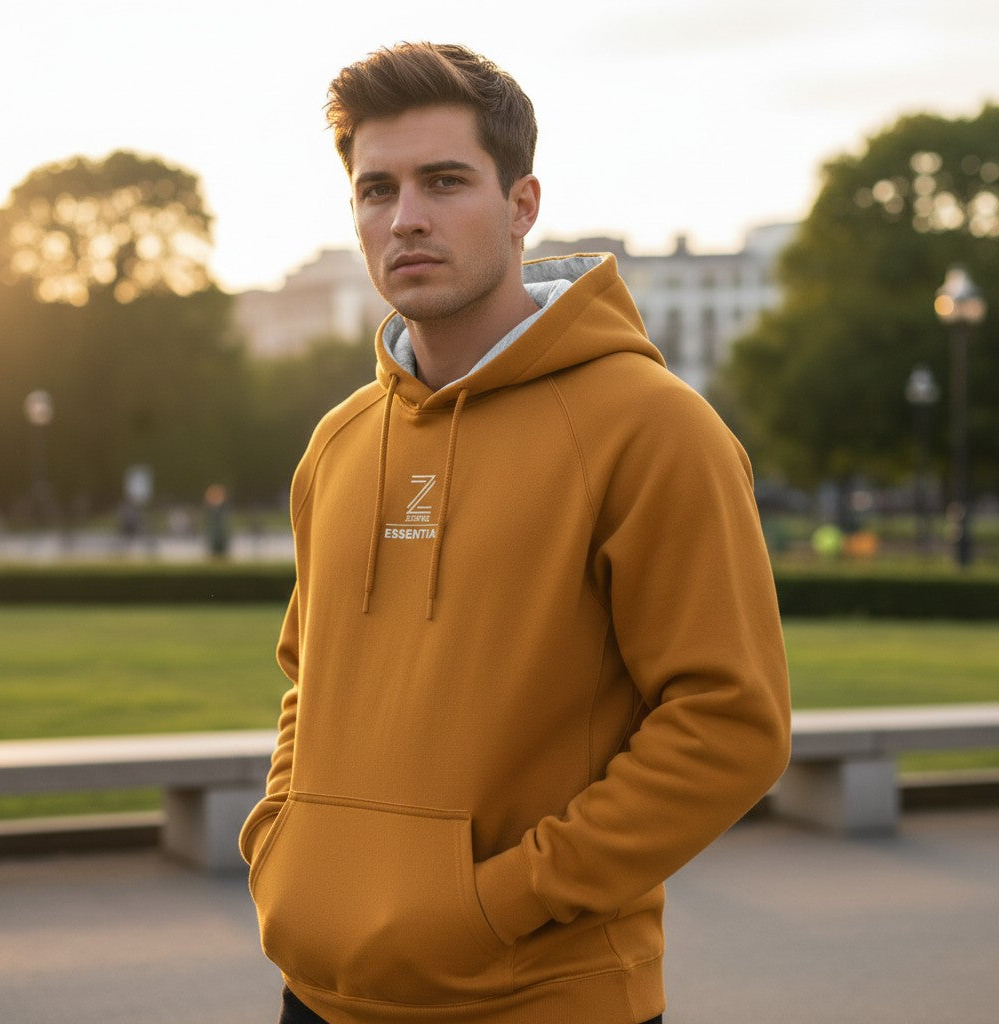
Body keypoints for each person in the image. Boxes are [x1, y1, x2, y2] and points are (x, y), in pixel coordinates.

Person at [240, 41, 791, 1024]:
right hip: (317, 994)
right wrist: (283, 842)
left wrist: (501, 901)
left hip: (539, 997)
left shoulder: (653, 428)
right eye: (376, 189)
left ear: (522, 205)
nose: (404, 216)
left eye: (443, 181)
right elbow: (306, 681)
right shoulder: (340, 441)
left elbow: (728, 724)